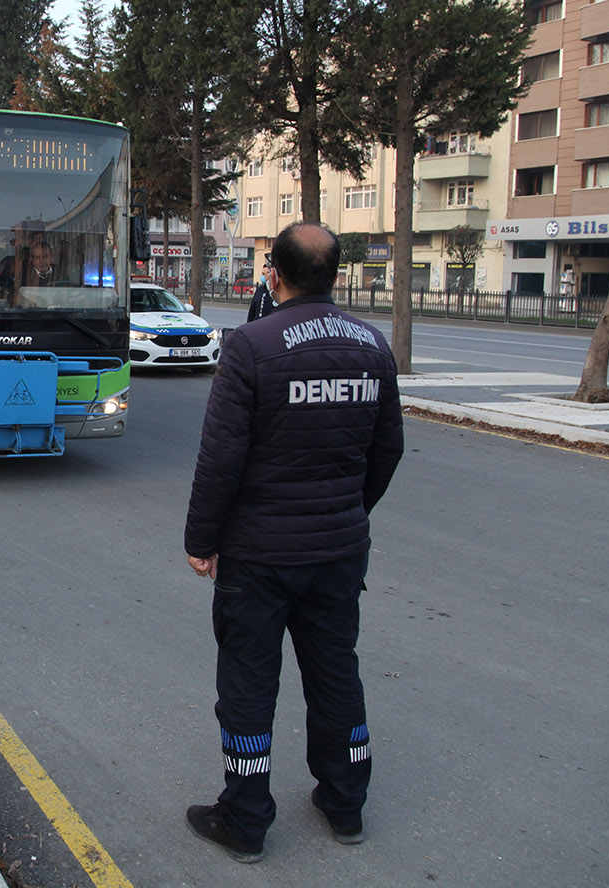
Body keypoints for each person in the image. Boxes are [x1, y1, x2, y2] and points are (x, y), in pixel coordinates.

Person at [183, 222, 404, 865]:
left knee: (249, 681)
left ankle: (245, 819)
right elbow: (386, 450)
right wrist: (347, 511)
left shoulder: (252, 345)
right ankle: (345, 803)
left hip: (260, 555)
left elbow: (220, 458)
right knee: (336, 673)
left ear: (272, 273)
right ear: (333, 274)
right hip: (338, 550)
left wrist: (202, 539)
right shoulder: (373, 346)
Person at [246, 255, 276, 322]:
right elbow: (252, 311)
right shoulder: (260, 290)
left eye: (264, 274)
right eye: (262, 273)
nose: (262, 276)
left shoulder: (276, 293)